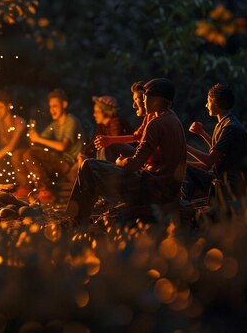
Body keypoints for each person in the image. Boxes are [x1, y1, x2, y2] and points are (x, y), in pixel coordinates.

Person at [66, 78, 187, 225]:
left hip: (152, 189)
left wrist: (120, 162)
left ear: (157, 100)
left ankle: (76, 220)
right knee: (99, 160)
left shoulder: (156, 124)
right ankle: (88, 210)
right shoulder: (173, 119)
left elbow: (134, 164)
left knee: (88, 166)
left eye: (145, 98)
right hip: (165, 188)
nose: (141, 102)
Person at [182, 83, 247, 203]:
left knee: (184, 171)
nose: (206, 105)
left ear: (215, 102)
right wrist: (201, 133)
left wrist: (183, 146)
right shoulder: (223, 123)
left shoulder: (230, 128)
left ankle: (184, 205)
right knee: (183, 167)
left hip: (232, 185)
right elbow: (218, 152)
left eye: (208, 101)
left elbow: (210, 160)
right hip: (220, 177)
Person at [18, 88, 84, 204]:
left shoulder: (71, 121)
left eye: (55, 106)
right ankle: (26, 186)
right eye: (50, 107)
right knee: (19, 154)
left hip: (68, 163)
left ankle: (45, 190)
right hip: (59, 162)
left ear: (64, 104)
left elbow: (62, 147)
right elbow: (39, 142)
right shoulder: (55, 124)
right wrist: (33, 136)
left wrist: (38, 139)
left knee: (30, 154)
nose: (51, 110)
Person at [94, 81, 156, 157]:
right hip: (142, 159)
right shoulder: (148, 118)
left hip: (145, 161)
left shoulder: (116, 123)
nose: (134, 105)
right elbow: (137, 137)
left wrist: (109, 141)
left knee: (109, 147)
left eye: (137, 99)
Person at [0, 91, 30, 188]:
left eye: (0, 107)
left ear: (9, 106)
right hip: (5, 156)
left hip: (20, 154)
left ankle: (25, 187)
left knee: (15, 155)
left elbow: (12, 146)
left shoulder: (19, 122)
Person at [80, 95, 132, 163]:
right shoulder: (101, 126)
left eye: (97, 111)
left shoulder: (116, 124)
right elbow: (94, 144)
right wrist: (85, 154)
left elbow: (115, 147)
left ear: (106, 111)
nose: (94, 114)